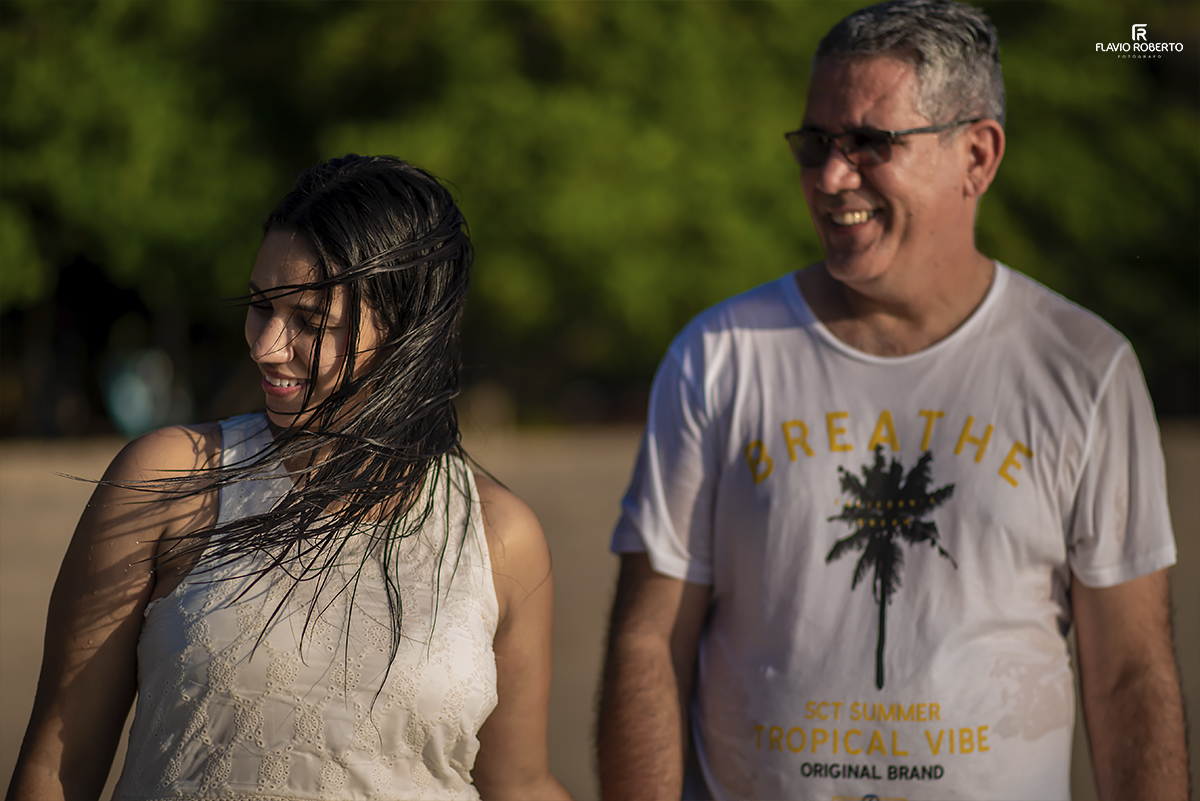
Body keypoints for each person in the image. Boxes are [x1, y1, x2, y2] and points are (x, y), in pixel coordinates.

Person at [597, 2, 1188, 799]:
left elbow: (1128, 673)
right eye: (815, 144)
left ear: (976, 155)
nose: (832, 177)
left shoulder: (1083, 370)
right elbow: (648, 644)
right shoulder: (720, 355)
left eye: (870, 143)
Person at [11, 155, 571, 801]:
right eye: (260, 306)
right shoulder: (175, 479)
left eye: (311, 321)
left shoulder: (498, 536)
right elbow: (57, 766)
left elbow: (519, 781)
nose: (266, 344)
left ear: (412, 333)